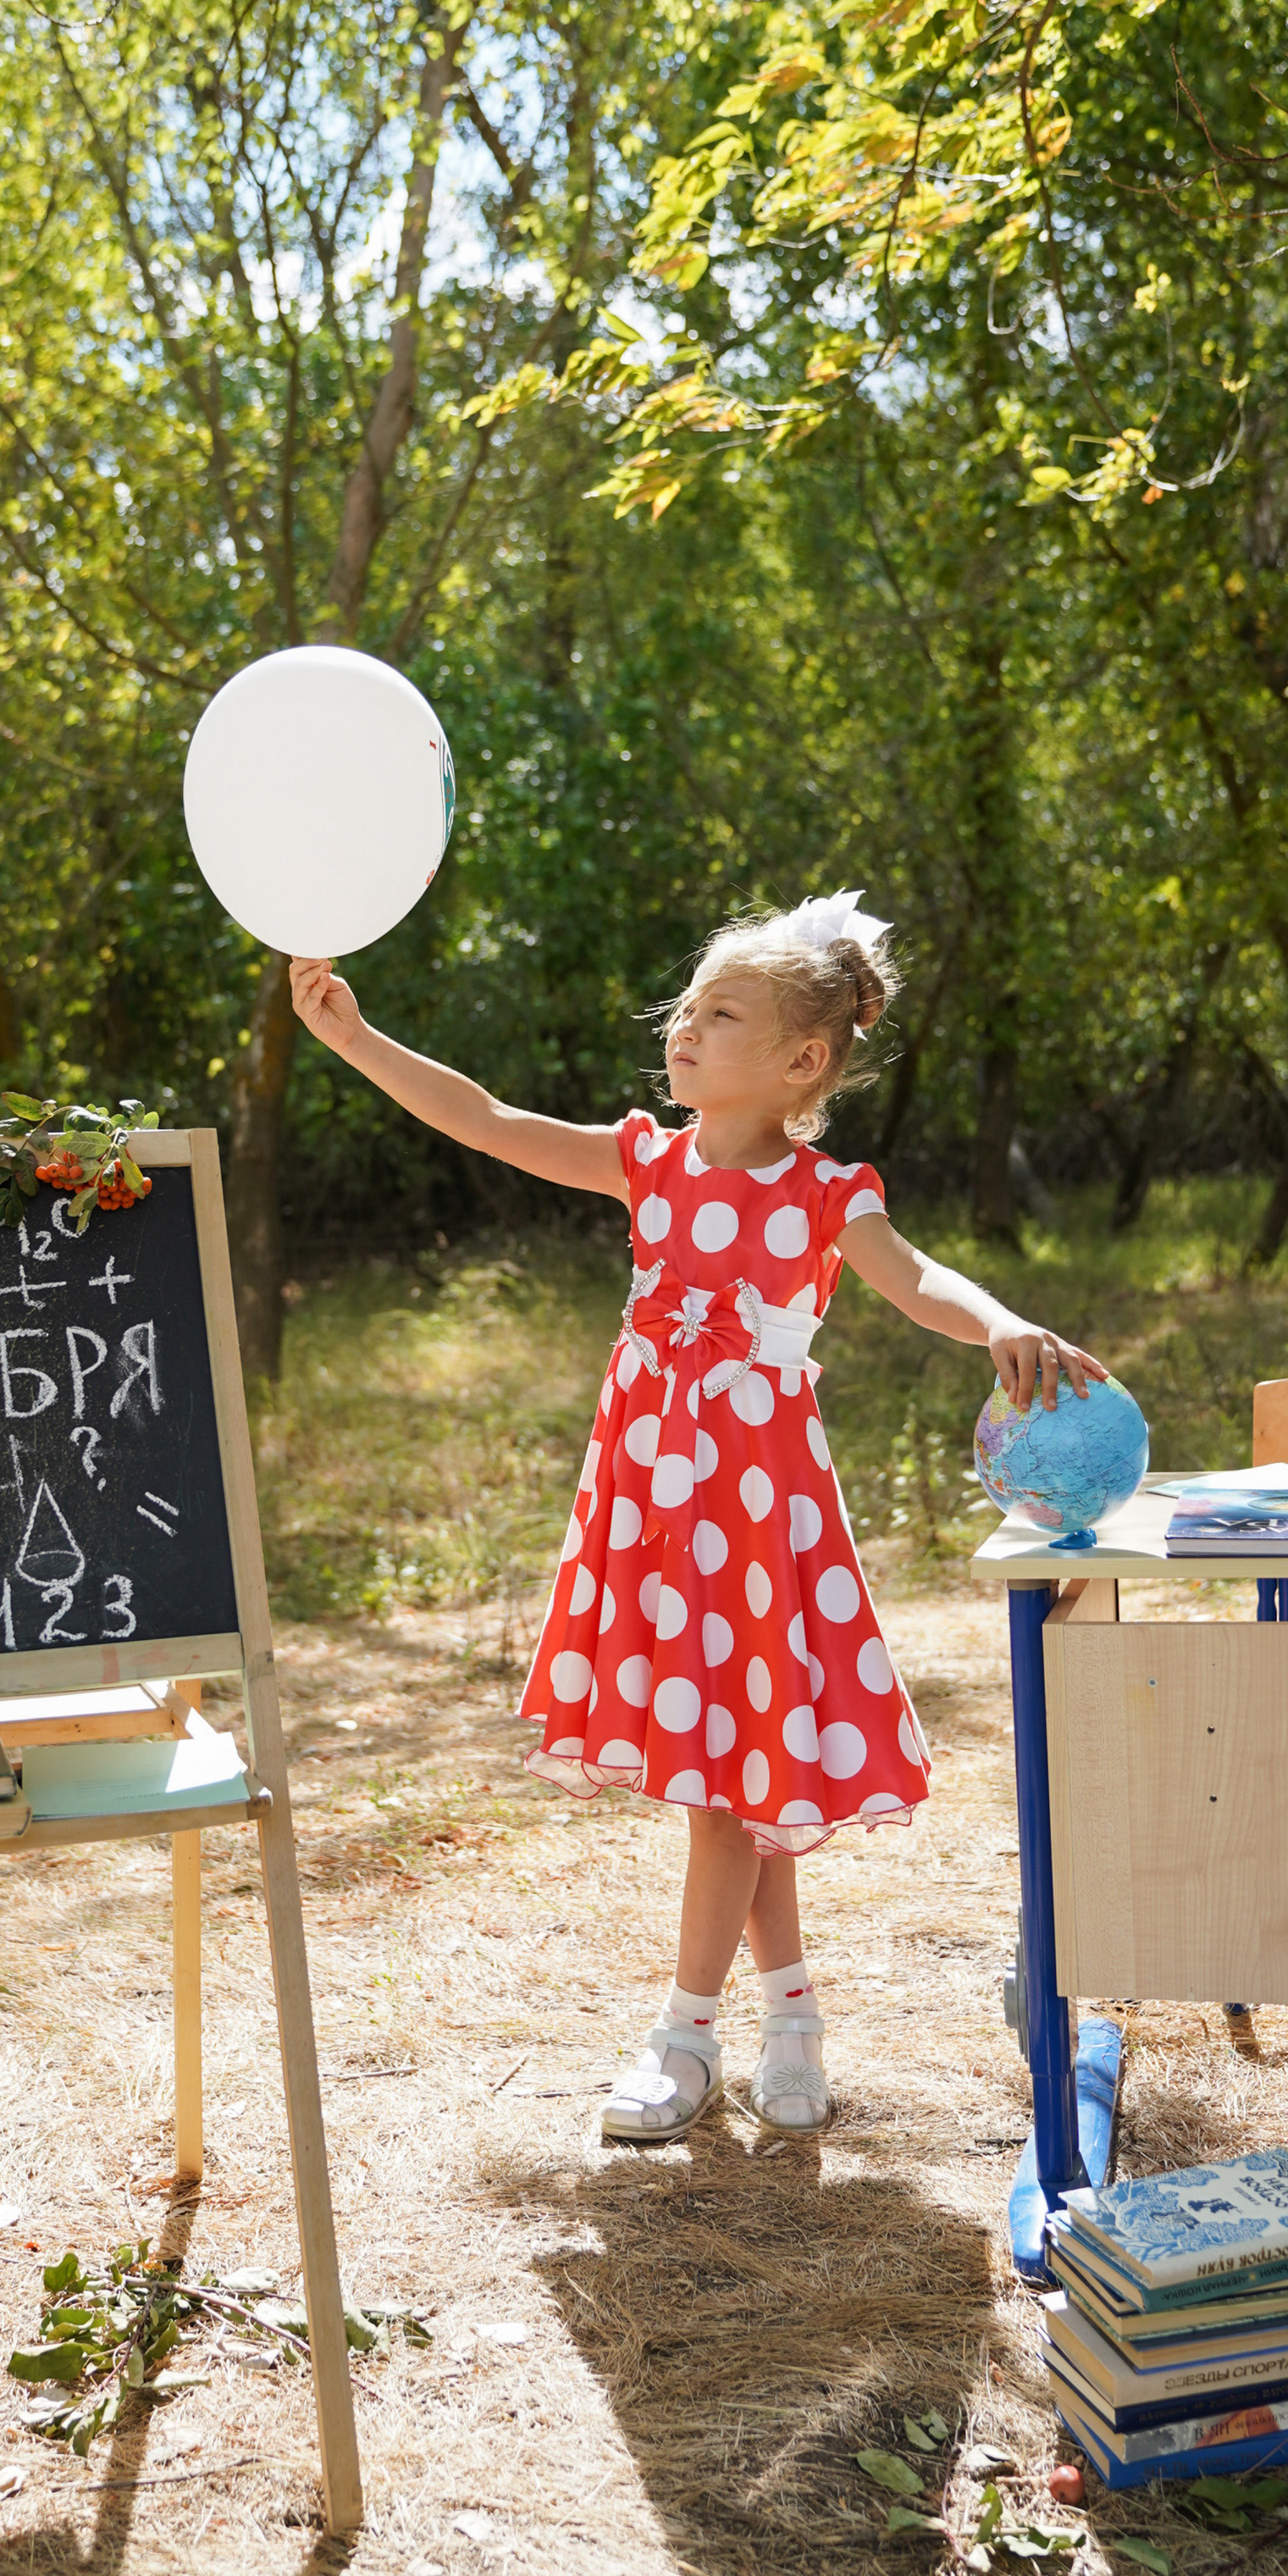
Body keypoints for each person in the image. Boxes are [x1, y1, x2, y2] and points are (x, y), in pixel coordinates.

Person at [290, 887, 1107, 2144]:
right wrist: (354, 1036)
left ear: (801, 1060)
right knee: (736, 1774)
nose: (684, 1027)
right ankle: (790, 2017)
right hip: (657, 1512)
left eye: (720, 1012)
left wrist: (997, 1318)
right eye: (686, 1006)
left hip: (760, 1516)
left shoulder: (829, 1195)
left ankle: (685, 2034)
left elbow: (918, 1277)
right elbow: (488, 1119)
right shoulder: (647, 1163)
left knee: (730, 1784)